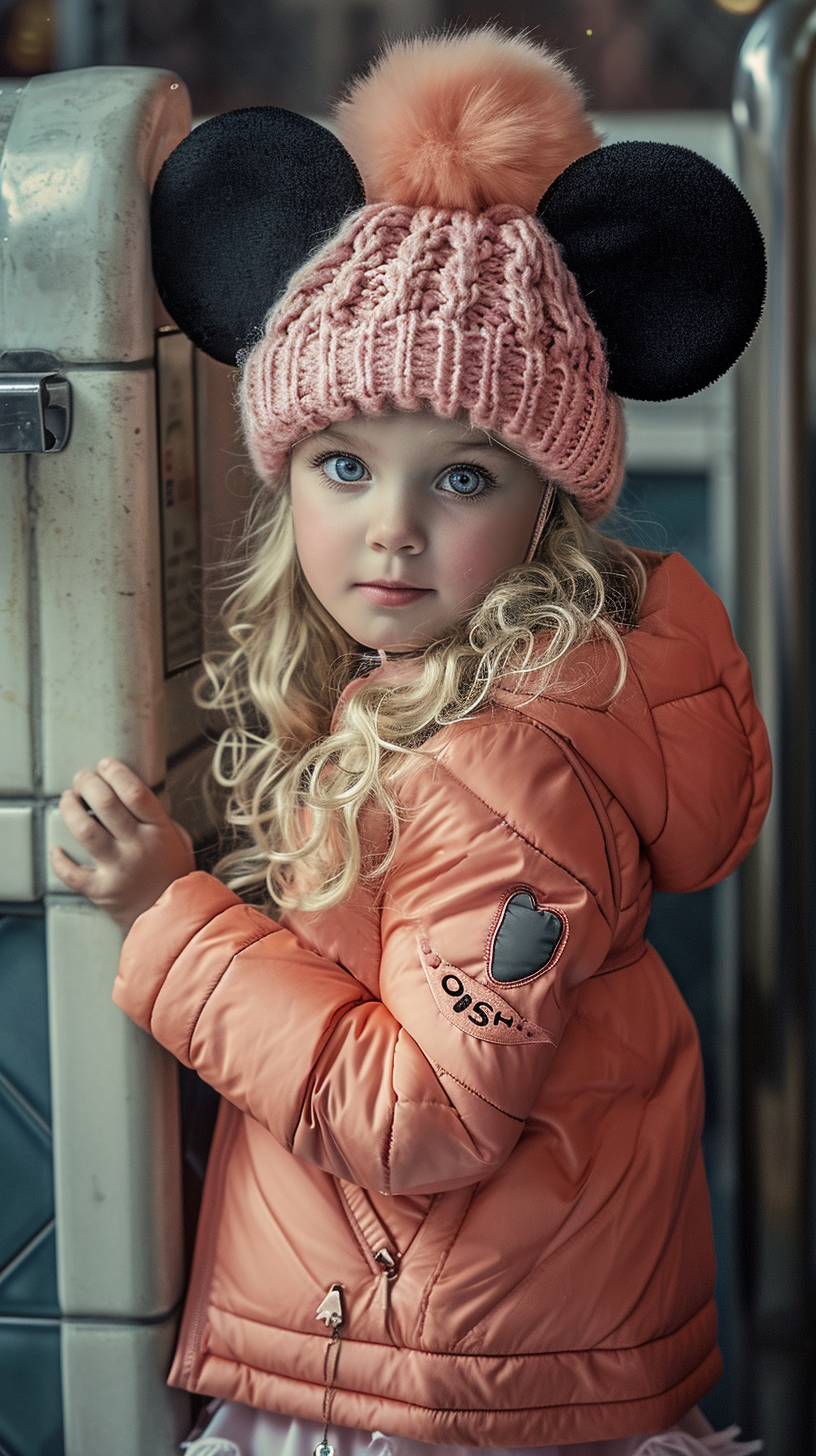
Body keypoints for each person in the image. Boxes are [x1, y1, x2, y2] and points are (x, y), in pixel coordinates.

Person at [51, 28, 771, 1456]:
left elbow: (421, 1117)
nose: (389, 525)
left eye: (459, 473)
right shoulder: (426, 693)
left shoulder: (499, 769)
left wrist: (168, 917)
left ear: (545, 507)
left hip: (439, 1387)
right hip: (453, 1334)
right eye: (342, 463)